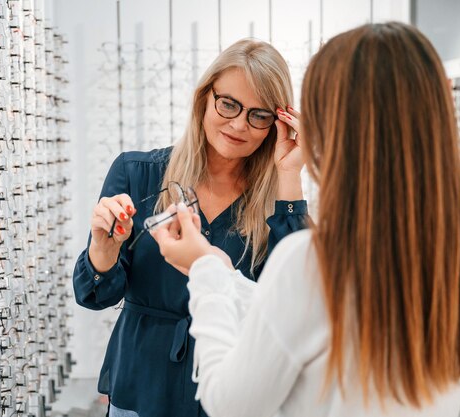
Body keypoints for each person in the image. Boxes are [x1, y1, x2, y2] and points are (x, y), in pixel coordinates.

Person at [152, 22, 460, 417]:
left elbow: (230, 404)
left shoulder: (311, 264)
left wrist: (206, 274)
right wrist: (223, 272)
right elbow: (303, 315)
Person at [72, 38, 309, 417]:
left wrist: (290, 172)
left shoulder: (276, 205)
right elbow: (92, 295)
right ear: (204, 97)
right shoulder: (138, 174)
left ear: (276, 124)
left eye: (258, 114)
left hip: (228, 391)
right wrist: (103, 248)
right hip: (142, 386)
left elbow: (297, 299)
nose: (238, 124)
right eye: (228, 103)